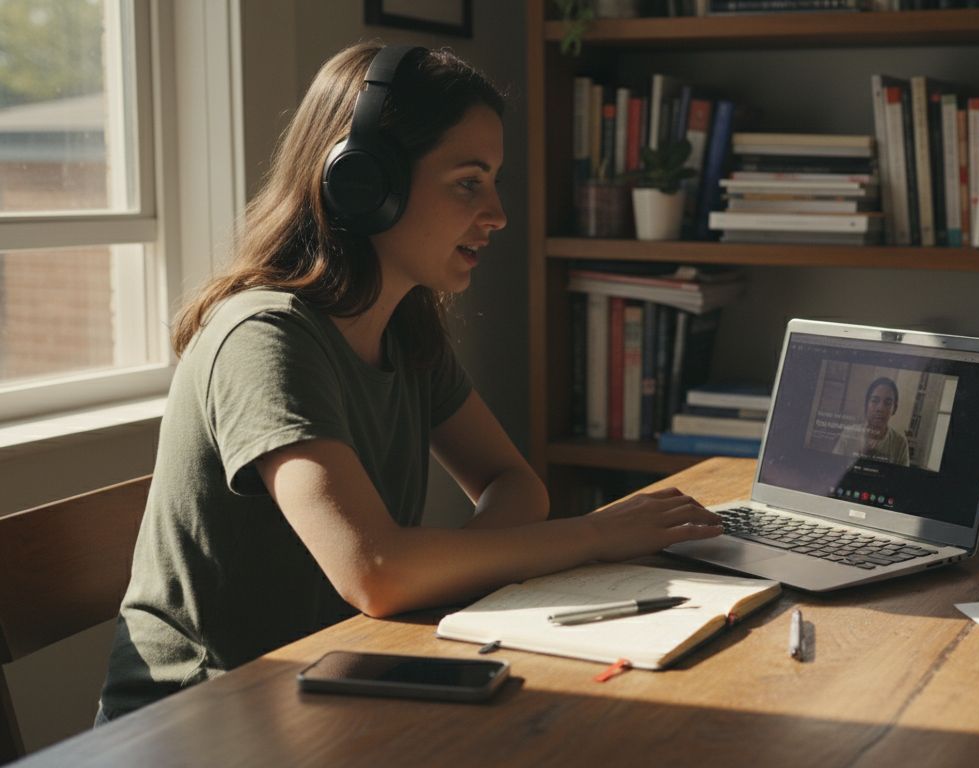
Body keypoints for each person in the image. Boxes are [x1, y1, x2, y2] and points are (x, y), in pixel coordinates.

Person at [96, 43, 721, 722]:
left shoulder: (405, 331)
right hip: (197, 719)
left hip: (333, 684)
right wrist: (594, 534)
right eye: (468, 182)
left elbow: (516, 485)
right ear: (363, 183)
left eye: (494, 181)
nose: (497, 213)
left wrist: (447, 566)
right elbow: (376, 572)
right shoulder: (265, 336)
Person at [831, 376, 910, 466]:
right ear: (866, 404)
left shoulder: (900, 443)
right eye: (874, 401)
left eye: (887, 403)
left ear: (894, 408)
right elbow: (833, 469)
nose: (880, 408)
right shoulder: (849, 434)